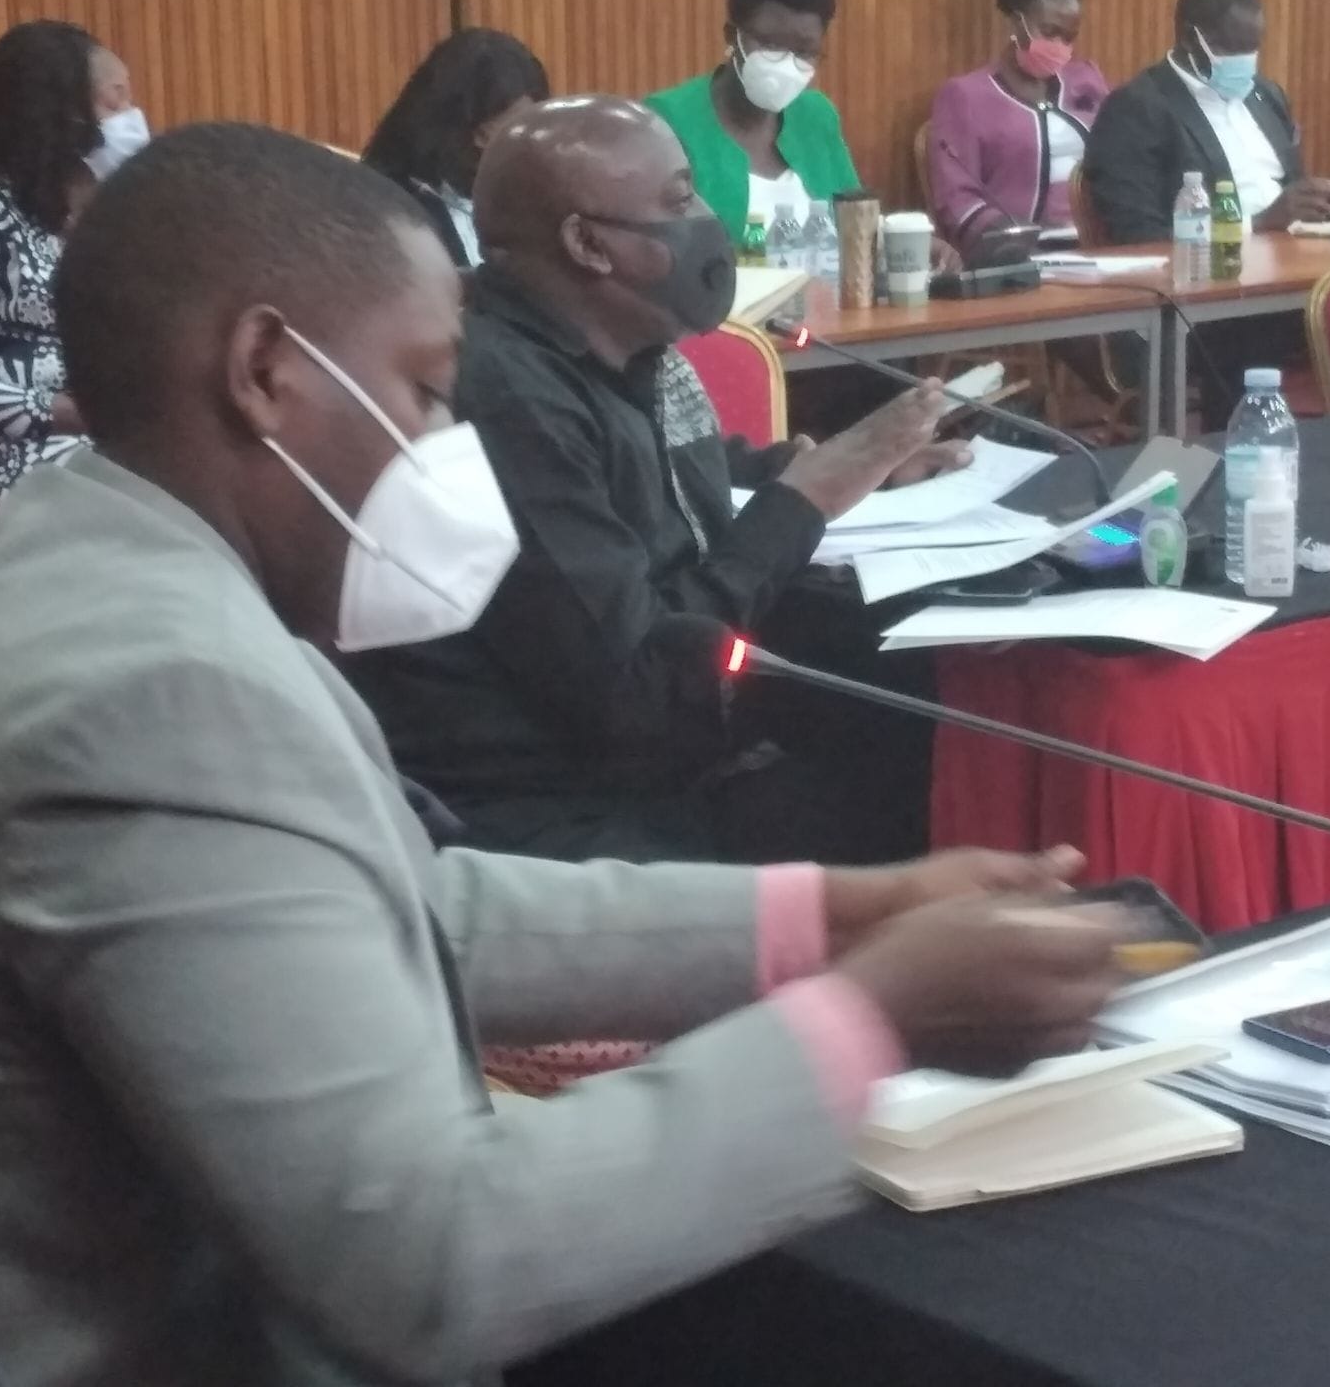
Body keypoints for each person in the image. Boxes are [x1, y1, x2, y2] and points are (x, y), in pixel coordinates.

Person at [0, 120, 1135, 1387]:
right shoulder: (158, 691)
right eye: (426, 392)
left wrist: (835, 918)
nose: (444, 445)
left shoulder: (92, 561)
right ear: (266, 372)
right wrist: (872, 1020)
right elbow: (435, 1267)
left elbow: (405, 910)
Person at [340, 95, 970, 866]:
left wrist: (844, 466)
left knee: (923, 720)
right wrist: (804, 500)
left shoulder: (621, 350)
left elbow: (680, 474)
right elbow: (638, 688)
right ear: (587, 244)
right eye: (679, 201)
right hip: (558, 815)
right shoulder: (505, 399)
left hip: (669, 751)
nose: (705, 220)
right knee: (910, 808)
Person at [0, 19, 150, 521]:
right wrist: (68, 412)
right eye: (116, 103)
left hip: (120, 447)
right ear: (64, 117)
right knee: (149, 498)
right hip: (18, 459)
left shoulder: (124, 223)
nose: (134, 119)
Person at [1082, 0, 1330, 243]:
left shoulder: (1267, 95)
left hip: (1294, 252)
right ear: (1189, 38)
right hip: (1217, 263)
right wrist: (1259, 224)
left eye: (1251, 49)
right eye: (1232, 48)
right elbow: (1139, 236)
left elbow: (1294, 192)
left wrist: (1328, 205)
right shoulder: (1135, 110)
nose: (1244, 61)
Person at [647, 0, 859, 244]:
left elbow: (856, 224)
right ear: (732, 36)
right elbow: (657, 250)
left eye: (804, 51)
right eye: (770, 44)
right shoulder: (666, 121)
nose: (786, 63)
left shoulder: (817, 116)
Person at [927, 0, 1110, 250]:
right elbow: (957, 198)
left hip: (1102, 247)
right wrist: (1012, 244)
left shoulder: (1087, 81)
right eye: (1049, 32)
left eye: (1069, 37)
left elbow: (1120, 156)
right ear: (1015, 23)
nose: (1059, 45)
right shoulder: (965, 97)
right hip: (1020, 251)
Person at [361, 27, 551, 268]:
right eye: (481, 133)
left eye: (522, 131)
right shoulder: (387, 202)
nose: (487, 147)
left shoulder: (535, 200)